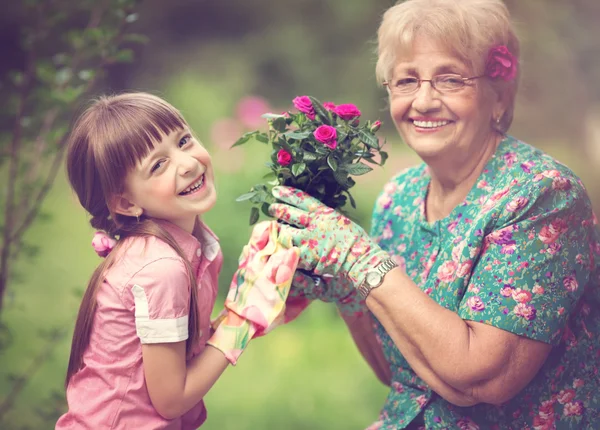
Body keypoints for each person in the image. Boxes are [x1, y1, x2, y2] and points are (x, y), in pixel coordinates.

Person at [269, 0, 600, 428]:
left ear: (497, 95)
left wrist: (359, 259)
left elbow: (480, 380)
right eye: (406, 80)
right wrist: (346, 289)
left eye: (450, 78)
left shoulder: (542, 195)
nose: (423, 101)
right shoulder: (398, 197)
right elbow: (402, 374)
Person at [56, 92, 299, 429]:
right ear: (125, 203)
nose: (187, 163)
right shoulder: (161, 269)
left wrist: (253, 304)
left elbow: (180, 354)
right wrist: (241, 322)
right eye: (158, 165)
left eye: (183, 141)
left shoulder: (188, 245)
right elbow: (172, 399)